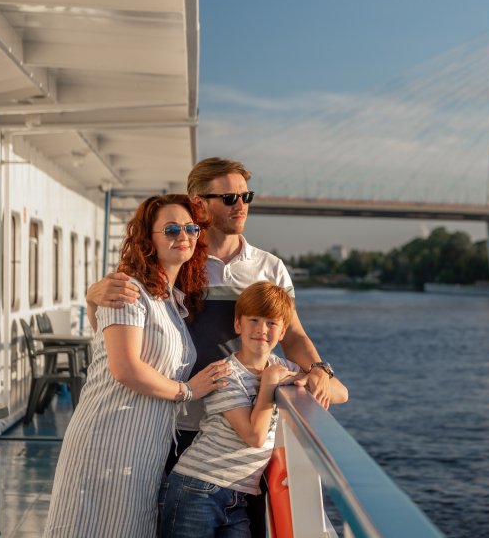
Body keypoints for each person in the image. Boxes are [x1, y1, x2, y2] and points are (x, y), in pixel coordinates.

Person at [86, 158, 342, 536]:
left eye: (245, 196)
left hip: (237, 435)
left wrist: (319, 369)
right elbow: (132, 310)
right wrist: (93, 296)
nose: (241, 205)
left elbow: (293, 335)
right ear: (199, 203)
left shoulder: (269, 267)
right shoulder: (181, 257)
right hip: (174, 423)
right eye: (229, 198)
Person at [46, 195, 232, 538]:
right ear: (149, 239)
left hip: (144, 448)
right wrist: (188, 391)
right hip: (107, 439)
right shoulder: (128, 289)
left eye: (191, 228)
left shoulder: (172, 302)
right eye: (171, 229)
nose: (184, 236)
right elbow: (125, 368)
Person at [157, 281, 348, 537]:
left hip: (239, 496)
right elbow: (254, 436)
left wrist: (309, 376)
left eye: (271, 323)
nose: (261, 329)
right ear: (238, 325)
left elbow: (342, 393)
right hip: (197, 487)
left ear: (283, 332)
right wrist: (269, 385)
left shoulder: (281, 367)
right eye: (254, 320)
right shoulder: (225, 374)